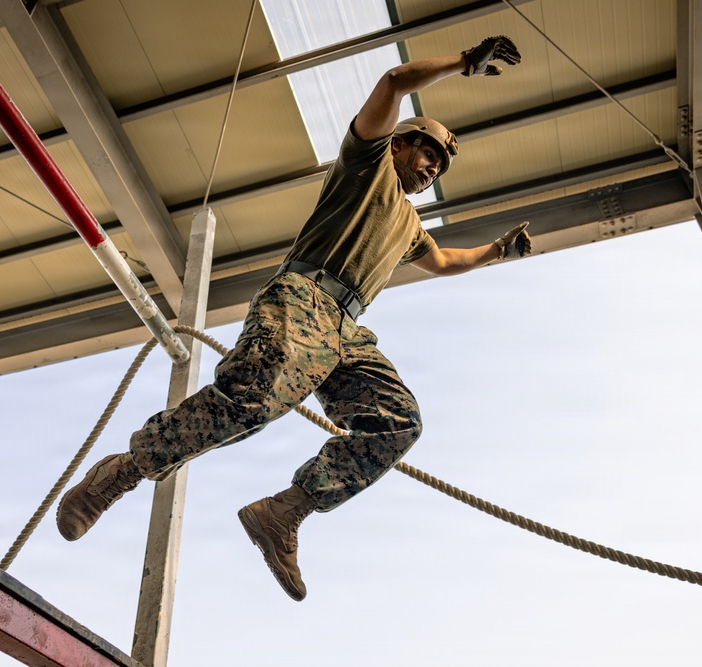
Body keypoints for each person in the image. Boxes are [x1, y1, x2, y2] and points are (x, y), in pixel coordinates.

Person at [57, 36, 531, 601]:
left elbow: (447, 260)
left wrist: (498, 251)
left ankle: (284, 512)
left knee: (398, 422)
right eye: (428, 153)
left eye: (441, 165)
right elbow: (393, 83)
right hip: (304, 297)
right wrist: (462, 61)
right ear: (400, 144)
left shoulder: (409, 226)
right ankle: (125, 470)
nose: (433, 168)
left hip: (346, 332)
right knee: (253, 401)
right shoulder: (367, 166)